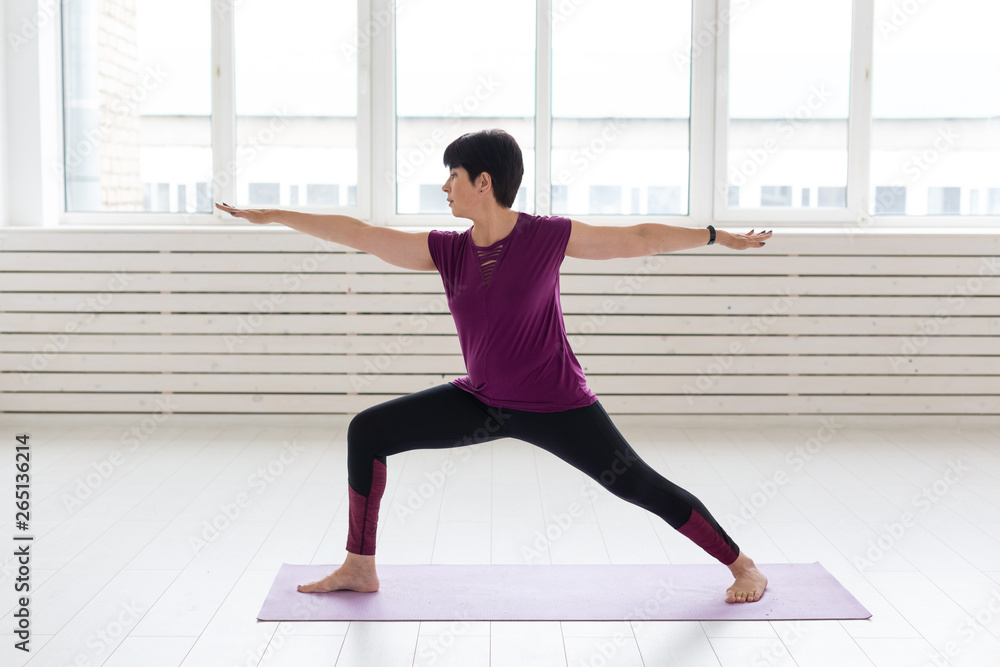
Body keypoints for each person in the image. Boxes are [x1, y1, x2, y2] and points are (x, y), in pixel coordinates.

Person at [215, 128, 773, 604]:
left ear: (484, 182)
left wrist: (720, 237)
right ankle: (359, 566)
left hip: (556, 404)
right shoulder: (447, 250)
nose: (444, 187)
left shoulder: (546, 236)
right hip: (479, 400)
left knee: (640, 486)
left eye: (452, 175)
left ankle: (742, 563)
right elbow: (360, 234)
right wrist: (274, 216)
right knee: (368, 431)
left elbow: (640, 239)